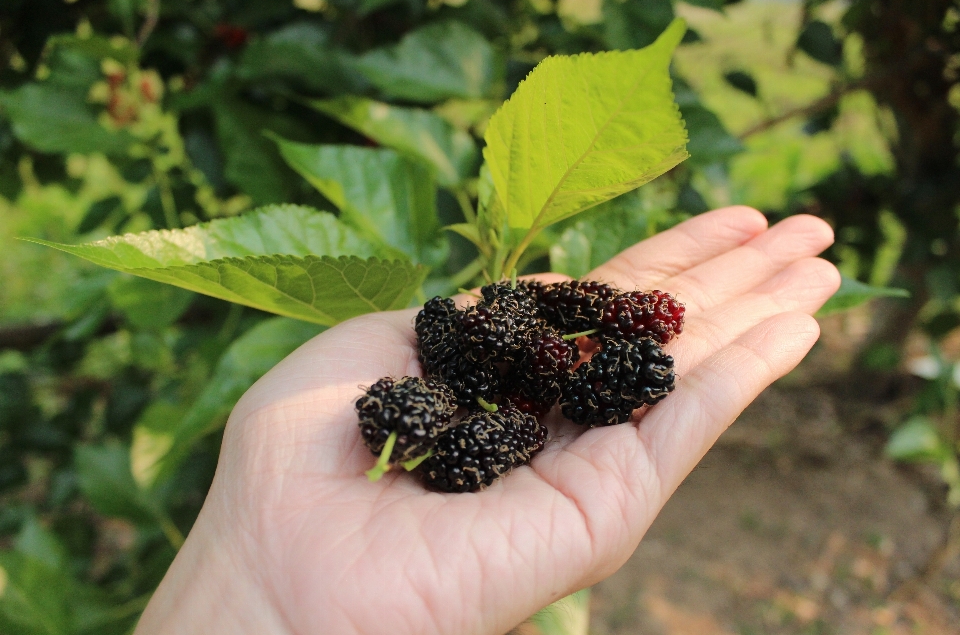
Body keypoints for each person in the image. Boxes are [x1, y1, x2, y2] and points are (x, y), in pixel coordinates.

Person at [134, 206, 840, 634]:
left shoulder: (542, 360)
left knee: (604, 364)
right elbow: (476, 367)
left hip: (518, 382)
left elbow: (537, 371)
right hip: (490, 386)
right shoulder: (460, 373)